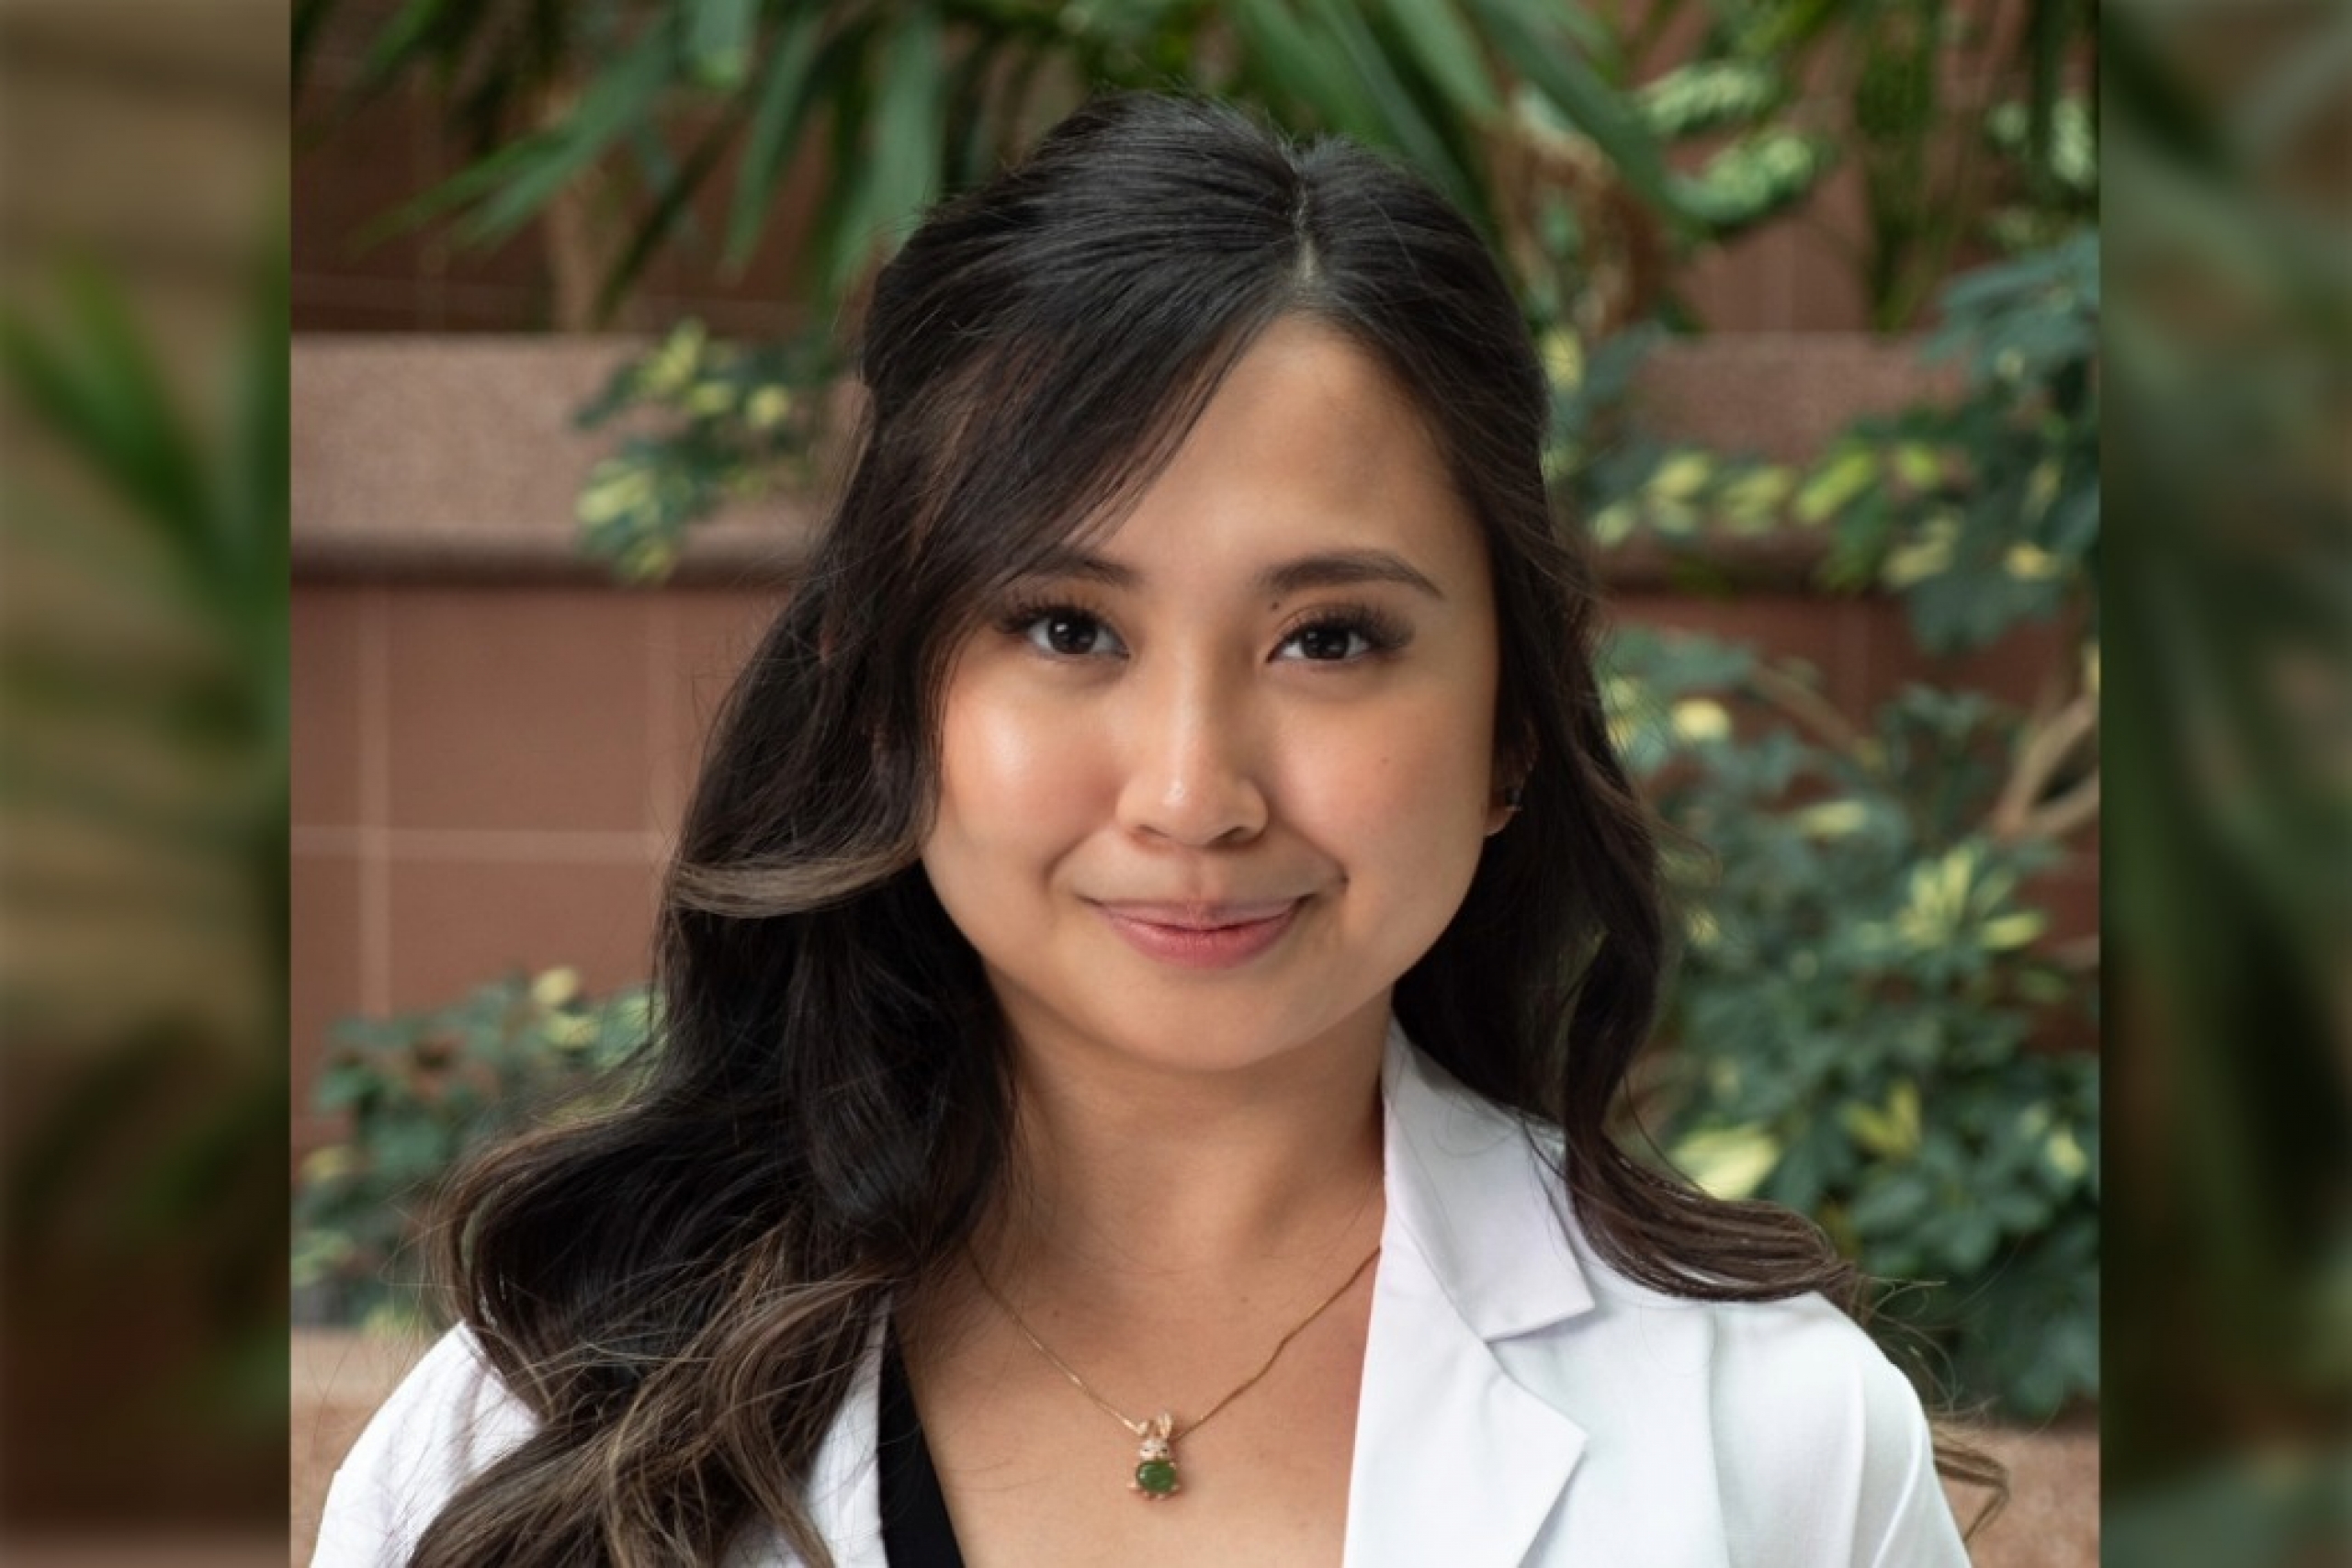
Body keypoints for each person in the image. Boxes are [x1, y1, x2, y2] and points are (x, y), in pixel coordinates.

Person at [313, 93, 1986, 1566]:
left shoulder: (1769, 1442)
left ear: (1512, 733)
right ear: (890, 698)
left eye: (1330, 638)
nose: (1193, 794)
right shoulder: (538, 1439)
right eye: (1066, 628)